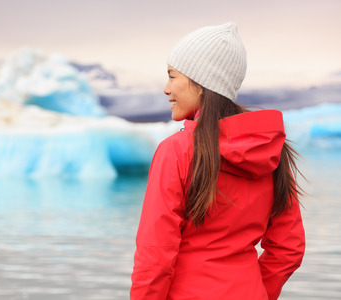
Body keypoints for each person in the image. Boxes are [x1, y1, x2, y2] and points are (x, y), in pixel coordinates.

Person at [130, 22, 305, 300]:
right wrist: (257, 291)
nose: (166, 88)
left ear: (200, 83)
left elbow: (155, 254)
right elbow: (289, 247)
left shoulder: (176, 151)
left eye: (172, 76)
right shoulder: (272, 151)